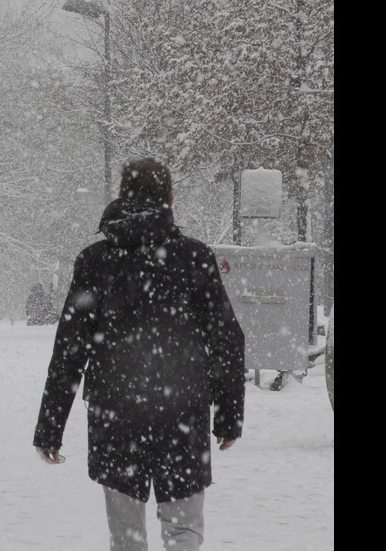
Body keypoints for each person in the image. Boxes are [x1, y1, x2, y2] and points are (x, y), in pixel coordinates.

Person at [32, 158, 246, 551]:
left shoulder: (94, 261)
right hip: (182, 408)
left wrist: (50, 426)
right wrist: (229, 414)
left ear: (121, 196)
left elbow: (69, 350)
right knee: (184, 533)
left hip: (117, 413)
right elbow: (227, 340)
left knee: (127, 538)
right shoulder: (194, 258)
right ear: (169, 198)